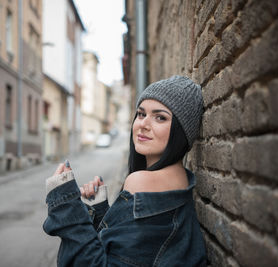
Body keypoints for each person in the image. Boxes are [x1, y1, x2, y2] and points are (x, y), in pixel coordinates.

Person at [43, 75, 207, 266]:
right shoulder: (182, 180)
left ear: (182, 130)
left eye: (160, 117)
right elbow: (133, 254)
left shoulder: (142, 182)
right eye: (141, 114)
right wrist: (99, 213)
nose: (143, 124)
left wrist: (66, 205)